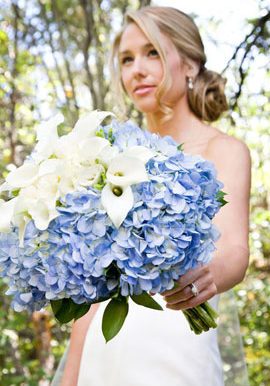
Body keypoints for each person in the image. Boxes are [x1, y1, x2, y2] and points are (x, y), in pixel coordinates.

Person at [57, 6, 251, 386]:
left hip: (177, 340)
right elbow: (91, 284)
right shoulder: (104, 158)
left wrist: (205, 278)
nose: (136, 70)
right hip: (106, 345)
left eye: (152, 53)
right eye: (127, 59)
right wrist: (70, 377)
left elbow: (235, 249)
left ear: (190, 64)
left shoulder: (224, 150)